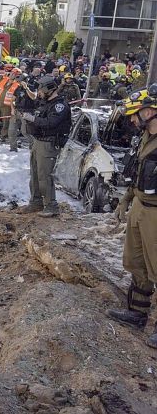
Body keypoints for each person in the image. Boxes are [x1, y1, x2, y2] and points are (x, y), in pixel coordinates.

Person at [105, 84, 157, 347]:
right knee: (135, 262)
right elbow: (137, 173)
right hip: (140, 205)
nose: (132, 120)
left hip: (156, 213)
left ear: (150, 112)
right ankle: (137, 313)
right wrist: (125, 201)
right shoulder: (145, 139)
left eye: (135, 114)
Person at [19, 75, 73, 217]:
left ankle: (51, 205)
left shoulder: (59, 105)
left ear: (49, 89)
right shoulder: (45, 102)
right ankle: (36, 201)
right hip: (38, 141)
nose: (39, 92)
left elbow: (50, 123)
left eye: (41, 89)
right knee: (35, 174)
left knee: (45, 176)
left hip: (49, 143)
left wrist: (33, 119)